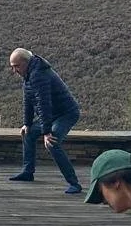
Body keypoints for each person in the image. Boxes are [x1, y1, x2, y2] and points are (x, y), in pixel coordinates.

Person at [8, 47, 82, 194]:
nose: (14, 70)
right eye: (12, 67)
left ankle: (74, 183)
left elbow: (44, 104)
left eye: (16, 66)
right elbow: (28, 100)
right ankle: (28, 172)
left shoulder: (39, 75)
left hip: (66, 114)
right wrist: (27, 123)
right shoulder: (29, 74)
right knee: (28, 133)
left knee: (52, 142)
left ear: (25, 62)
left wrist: (47, 132)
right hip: (52, 115)